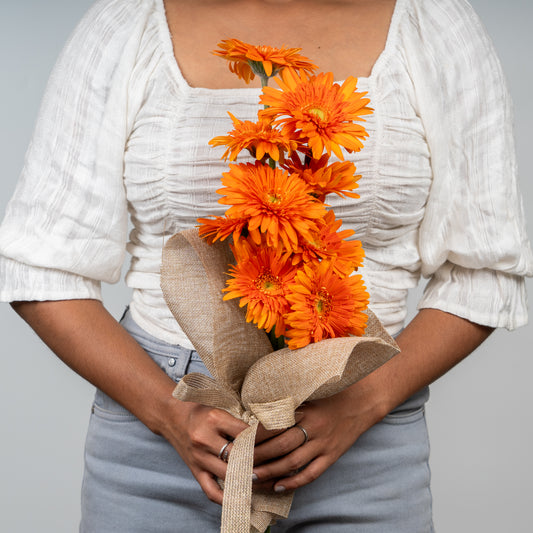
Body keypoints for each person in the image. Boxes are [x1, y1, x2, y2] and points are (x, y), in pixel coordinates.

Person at [0, 0, 531, 531]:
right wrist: (168, 412)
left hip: (361, 433)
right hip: (162, 423)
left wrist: (366, 400)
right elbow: (44, 269)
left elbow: (484, 272)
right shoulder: (128, 22)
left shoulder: (434, 23)